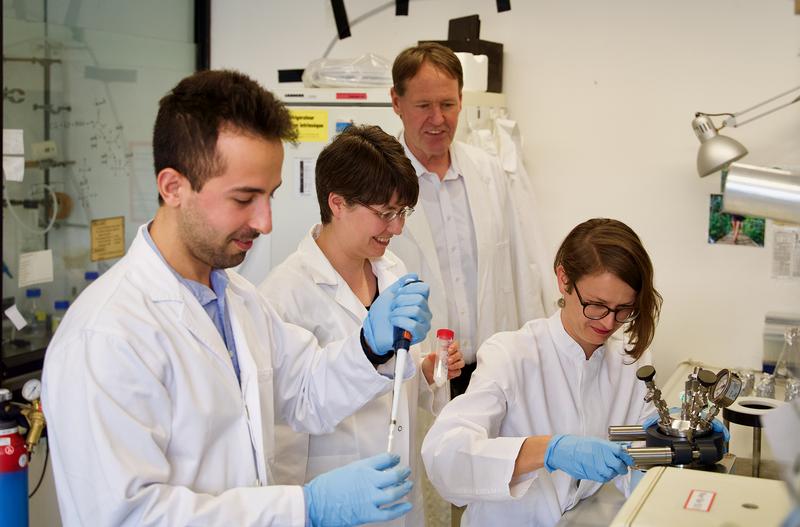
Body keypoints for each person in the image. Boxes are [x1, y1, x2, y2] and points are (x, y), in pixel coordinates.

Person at [41, 70, 434, 527]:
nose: (266, 222)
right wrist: (303, 509)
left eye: (270, 196)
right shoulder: (107, 334)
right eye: (245, 198)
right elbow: (127, 517)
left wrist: (370, 345)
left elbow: (306, 391)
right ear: (173, 187)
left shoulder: (237, 300)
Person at [259, 124, 464, 526]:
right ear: (337, 203)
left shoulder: (392, 271)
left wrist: (425, 372)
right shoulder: (283, 296)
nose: (398, 228)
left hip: (397, 490)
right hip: (333, 499)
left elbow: (397, 379)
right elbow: (285, 428)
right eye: (385, 213)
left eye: (402, 212)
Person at [421, 218, 664, 526]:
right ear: (563, 279)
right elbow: (446, 459)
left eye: (624, 310)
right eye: (597, 305)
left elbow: (643, 461)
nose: (608, 323)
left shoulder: (632, 361)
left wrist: (675, 439)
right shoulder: (510, 354)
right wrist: (547, 450)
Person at [388, 42, 549, 398]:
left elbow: (521, 268)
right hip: (420, 374)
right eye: (423, 105)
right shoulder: (379, 182)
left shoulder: (488, 171)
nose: (438, 119)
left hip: (490, 370)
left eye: (447, 104)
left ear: (462, 100)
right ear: (396, 103)